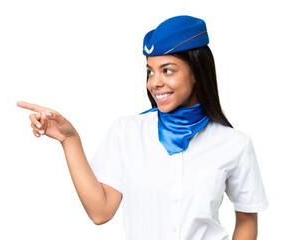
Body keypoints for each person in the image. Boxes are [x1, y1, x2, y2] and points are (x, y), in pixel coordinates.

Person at [17, 15, 268, 240]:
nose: (155, 83)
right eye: (150, 72)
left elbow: (246, 219)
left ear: (196, 73)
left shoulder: (235, 144)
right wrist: (69, 140)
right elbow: (100, 212)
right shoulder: (128, 132)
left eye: (167, 71)